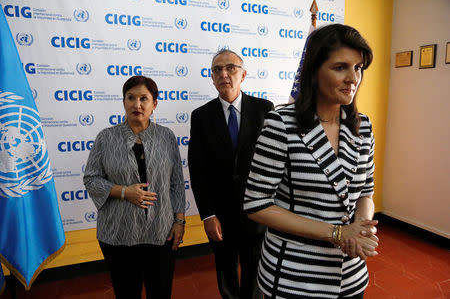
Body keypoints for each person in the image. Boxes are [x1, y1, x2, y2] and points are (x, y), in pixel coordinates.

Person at [243, 24, 379, 299]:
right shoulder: (280, 124)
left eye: (358, 68)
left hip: (350, 276)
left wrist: (359, 231)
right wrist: (338, 233)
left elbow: (366, 192)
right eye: (340, 67)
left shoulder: (362, 126)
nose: (353, 78)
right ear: (314, 72)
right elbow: (257, 205)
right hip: (294, 277)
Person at [83, 75, 186, 299]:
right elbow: (91, 179)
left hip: (161, 233)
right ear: (123, 101)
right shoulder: (106, 138)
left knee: (160, 292)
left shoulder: (166, 137)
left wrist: (179, 220)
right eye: (130, 98)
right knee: (126, 293)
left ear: (154, 104)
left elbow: (177, 182)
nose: (136, 105)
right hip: (118, 235)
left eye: (143, 99)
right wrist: (123, 191)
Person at [188, 49, 274, 299]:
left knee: (255, 269)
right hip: (220, 213)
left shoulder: (265, 109)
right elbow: (198, 169)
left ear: (243, 74)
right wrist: (208, 214)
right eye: (217, 69)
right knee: (225, 269)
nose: (224, 74)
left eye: (231, 68)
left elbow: (274, 162)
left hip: (257, 209)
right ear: (212, 77)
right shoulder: (201, 116)